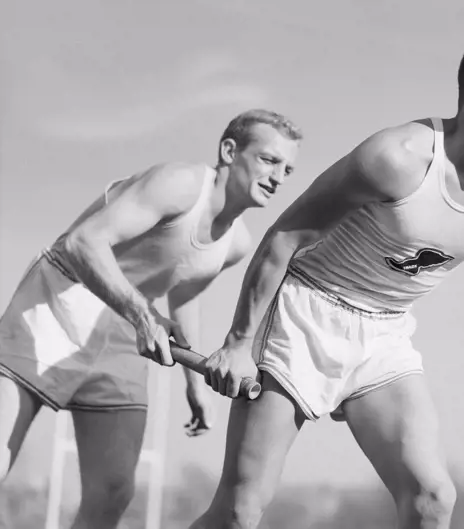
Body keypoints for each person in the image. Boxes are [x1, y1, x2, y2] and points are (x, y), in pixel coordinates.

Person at [192, 26, 464, 529]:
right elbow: (284, 238)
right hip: (304, 313)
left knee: (432, 497)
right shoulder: (397, 157)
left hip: (385, 331)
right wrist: (239, 343)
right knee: (238, 514)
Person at [0, 109, 302, 529]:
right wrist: (142, 315)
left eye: (288, 169)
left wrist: (195, 384)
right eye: (269, 160)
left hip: (123, 334)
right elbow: (83, 242)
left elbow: (184, 292)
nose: (278, 177)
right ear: (229, 151)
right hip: (56, 304)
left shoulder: (236, 243)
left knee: (113, 491)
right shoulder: (179, 185)